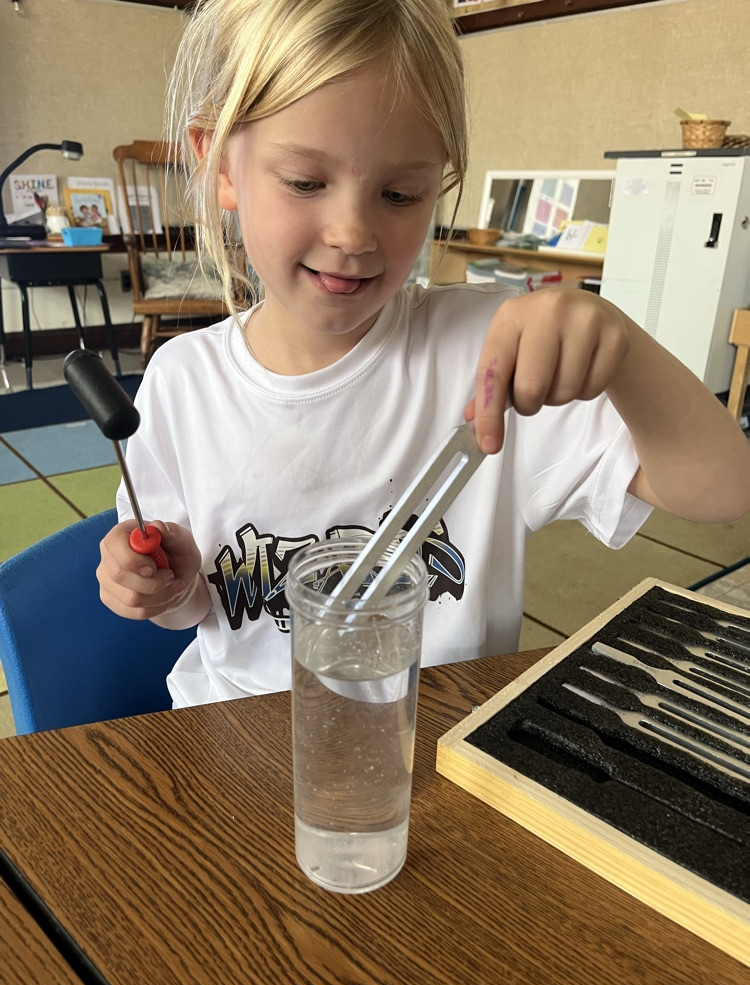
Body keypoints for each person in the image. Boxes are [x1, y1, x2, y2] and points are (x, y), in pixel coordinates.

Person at [97, 0, 750, 709]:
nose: (352, 231)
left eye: (400, 193)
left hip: (433, 740)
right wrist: (161, 585)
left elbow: (722, 492)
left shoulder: (487, 357)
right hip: (241, 738)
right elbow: (189, 607)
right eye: (306, 182)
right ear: (222, 164)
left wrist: (624, 352)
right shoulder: (181, 383)